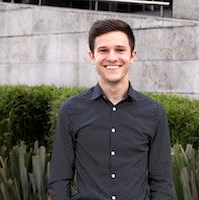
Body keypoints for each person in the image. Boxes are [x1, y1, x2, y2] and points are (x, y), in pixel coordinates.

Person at [48, 19, 172, 200]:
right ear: (92, 56)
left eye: (120, 50)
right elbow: (59, 180)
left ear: (132, 55)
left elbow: (161, 184)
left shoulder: (154, 114)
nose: (112, 57)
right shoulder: (71, 111)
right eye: (103, 50)